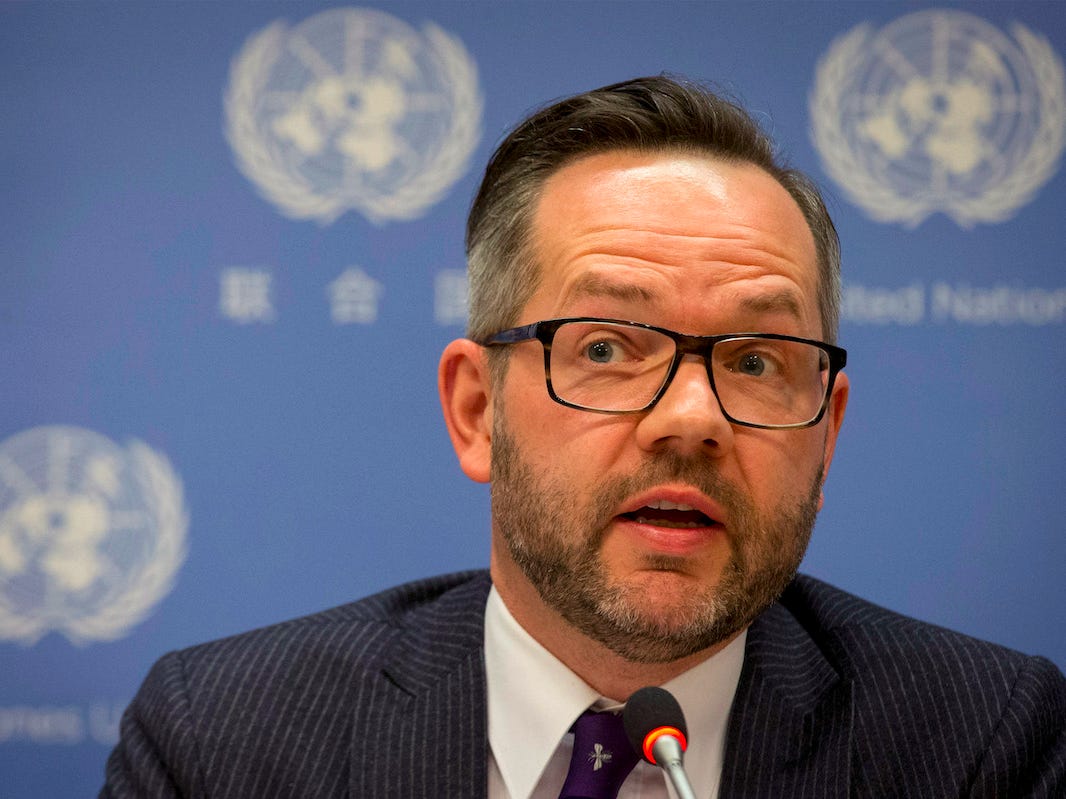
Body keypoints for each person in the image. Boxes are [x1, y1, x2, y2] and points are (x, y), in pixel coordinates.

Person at [101, 75, 1065, 798]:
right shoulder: (223, 740)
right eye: (606, 346)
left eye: (757, 360)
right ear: (476, 410)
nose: (692, 419)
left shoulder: (982, 744)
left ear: (828, 432)